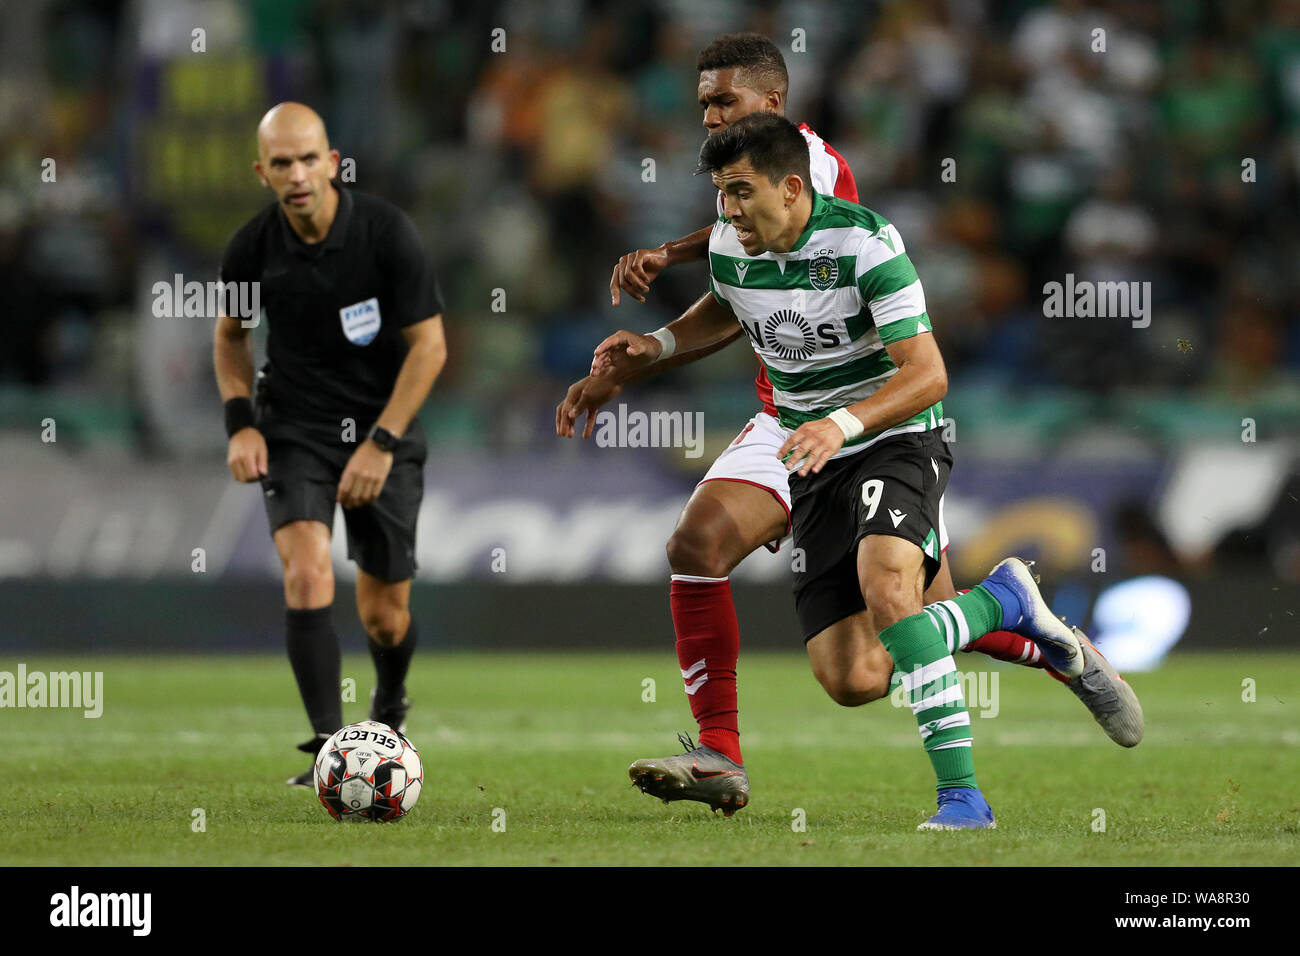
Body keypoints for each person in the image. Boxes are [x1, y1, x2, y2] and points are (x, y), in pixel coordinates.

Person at [557, 34, 1141, 818]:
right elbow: (740, 290)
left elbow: (918, 363)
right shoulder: (739, 198)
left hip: (872, 416)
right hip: (793, 419)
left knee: (896, 599)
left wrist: (671, 255)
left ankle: (962, 788)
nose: (709, 117)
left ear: (775, 110)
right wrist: (645, 352)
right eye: (703, 104)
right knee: (858, 664)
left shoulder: (821, 187)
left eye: (724, 102)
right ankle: (1013, 619)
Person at [213, 103, 447, 786]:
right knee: (308, 571)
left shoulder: (384, 234)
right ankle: (327, 748)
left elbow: (430, 348)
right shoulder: (252, 249)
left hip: (385, 430)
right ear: (262, 172)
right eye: (281, 163)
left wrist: (380, 442)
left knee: (383, 614)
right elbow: (231, 337)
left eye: (308, 158)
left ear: (332, 163)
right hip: (294, 430)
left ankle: (389, 706)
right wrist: (241, 423)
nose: (296, 174)